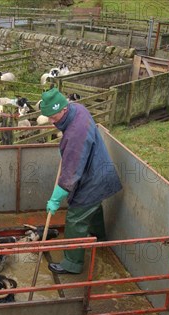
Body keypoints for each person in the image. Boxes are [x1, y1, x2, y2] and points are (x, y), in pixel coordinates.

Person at [40, 87, 122, 275]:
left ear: (63, 109)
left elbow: (70, 175)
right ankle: (99, 240)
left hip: (92, 179)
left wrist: (55, 199)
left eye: (54, 117)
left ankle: (72, 264)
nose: (52, 122)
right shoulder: (78, 109)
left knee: (76, 218)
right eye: (49, 117)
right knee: (93, 208)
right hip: (100, 169)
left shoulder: (76, 134)